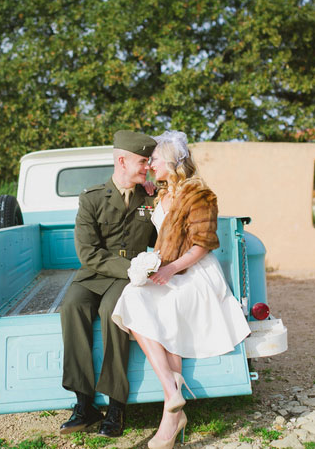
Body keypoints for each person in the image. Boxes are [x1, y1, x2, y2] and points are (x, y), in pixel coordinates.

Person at [112, 130, 251, 448]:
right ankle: (172, 389)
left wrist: (172, 268)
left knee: (169, 307)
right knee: (132, 296)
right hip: (167, 269)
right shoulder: (159, 195)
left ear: (172, 161)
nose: (150, 166)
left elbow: (203, 244)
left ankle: (170, 420)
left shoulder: (201, 195)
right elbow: (145, 221)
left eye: (154, 160)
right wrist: (143, 198)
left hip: (195, 273)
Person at [59, 130, 158, 437]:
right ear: (122, 160)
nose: (147, 167)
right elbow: (87, 252)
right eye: (142, 161)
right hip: (99, 273)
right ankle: (84, 404)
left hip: (130, 278)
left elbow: (161, 239)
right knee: (72, 306)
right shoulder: (91, 198)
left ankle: (116, 406)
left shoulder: (152, 197)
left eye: (149, 161)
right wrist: (131, 269)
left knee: (112, 311)